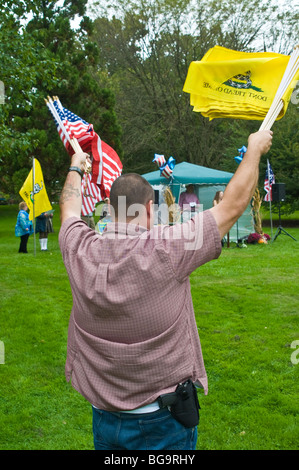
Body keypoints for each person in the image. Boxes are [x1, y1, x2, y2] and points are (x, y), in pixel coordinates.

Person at [58, 129, 273, 450]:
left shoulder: (78, 248)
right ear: (148, 209)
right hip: (162, 422)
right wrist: (254, 149)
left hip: (103, 418)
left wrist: (76, 165)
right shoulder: (168, 246)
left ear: (110, 210)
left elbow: (70, 209)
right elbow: (231, 207)